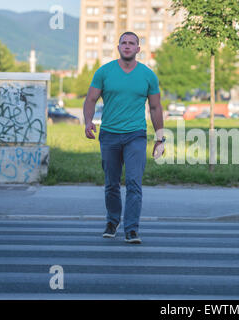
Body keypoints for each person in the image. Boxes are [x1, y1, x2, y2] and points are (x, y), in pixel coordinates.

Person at [83, 31, 165, 244]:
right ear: (118, 47)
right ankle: (112, 221)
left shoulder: (148, 75)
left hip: (136, 135)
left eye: (132, 43)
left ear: (138, 49)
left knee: (133, 182)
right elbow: (90, 99)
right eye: (124, 43)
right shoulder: (104, 72)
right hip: (109, 134)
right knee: (111, 183)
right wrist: (88, 121)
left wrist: (160, 137)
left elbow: (155, 107)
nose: (127, 46)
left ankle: (131, 228)